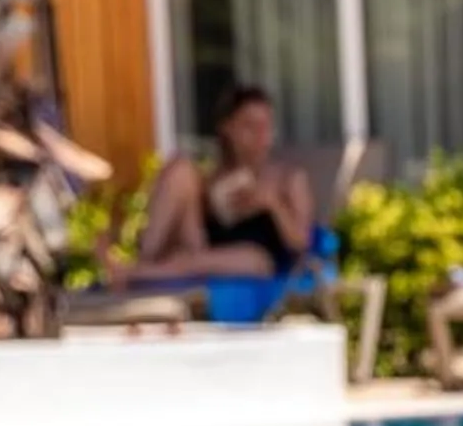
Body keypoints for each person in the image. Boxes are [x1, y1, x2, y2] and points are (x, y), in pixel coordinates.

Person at [108, 84, 314, 288]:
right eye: (249, 126)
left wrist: (272, 203)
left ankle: (134, 273)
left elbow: (300, 243)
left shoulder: (288, 178)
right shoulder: (211, 177)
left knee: (251, 259)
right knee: (180, 169)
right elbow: (193, 226)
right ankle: (144, 261)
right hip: (203, 249)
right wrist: (213, 201)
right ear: (227, 128)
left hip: (255, 260)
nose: (261, 135)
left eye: (266, 126)